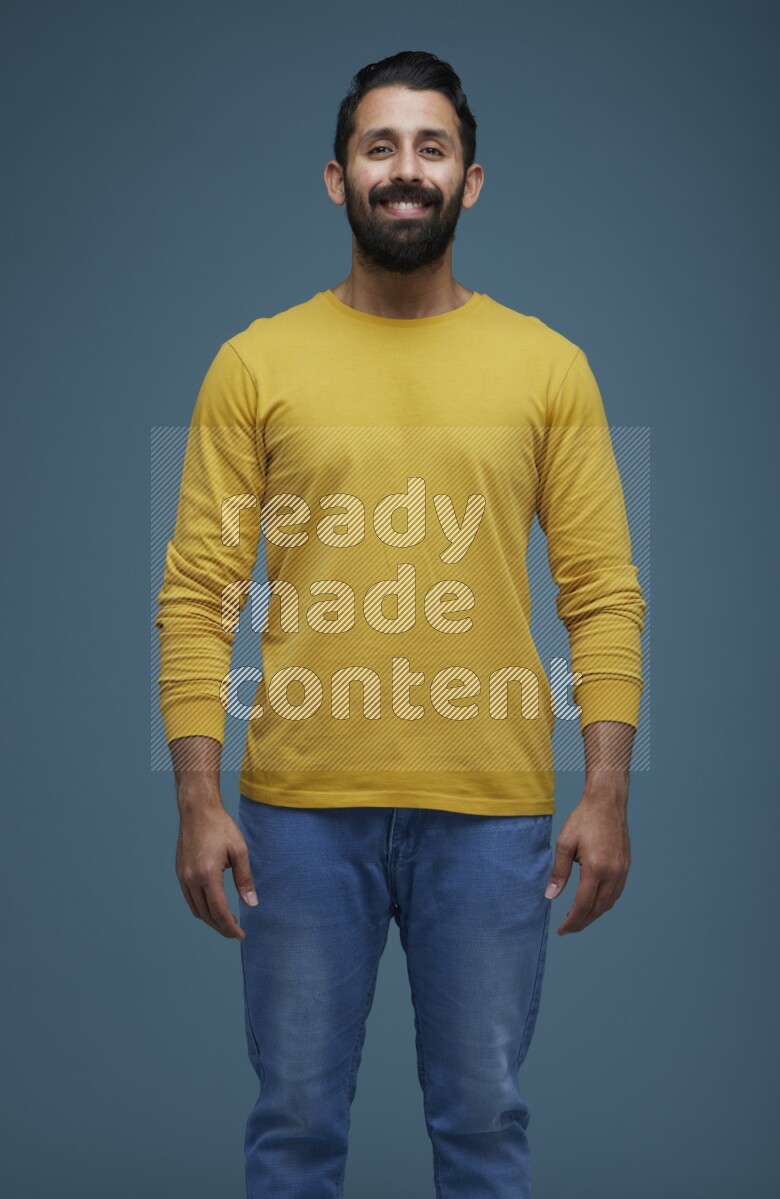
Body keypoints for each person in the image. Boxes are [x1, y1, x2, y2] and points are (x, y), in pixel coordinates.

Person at [154, 48, 647, 1199]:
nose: (405, 169)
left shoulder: (545, 367)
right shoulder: (255, 363)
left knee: (482, 1127)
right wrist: (197, 796)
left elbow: (601, 588)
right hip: (295, 818)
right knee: (292, 1129)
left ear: (469, 180)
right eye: (381, 147)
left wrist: (606, 789)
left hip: (489, 816)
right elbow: (199, 589)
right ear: (337, 178)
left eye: (431, 147)